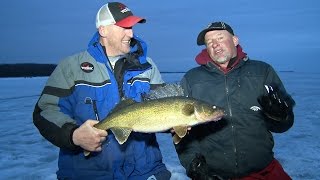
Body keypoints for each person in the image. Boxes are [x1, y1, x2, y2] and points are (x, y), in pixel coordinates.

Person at [33, 2, 171, 179]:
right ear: (103, 30)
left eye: (132, 27)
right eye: (124, 27)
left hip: (145, 172)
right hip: (89, 174)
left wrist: (178, 121)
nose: (131, 33)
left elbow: (162, 108)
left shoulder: (148, 66)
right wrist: (73, 135)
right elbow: (46, 110)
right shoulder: (72, 67)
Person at [174, 21, 296, 180]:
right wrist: (192, 163)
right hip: (215, 175)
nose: (215, 45)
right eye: (209, 42)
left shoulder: (262, 72)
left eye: (220, 38)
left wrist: (280, 116)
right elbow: (181, 131)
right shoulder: (192, 79)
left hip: (264, 171)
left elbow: (282, 126)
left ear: (235, 40)